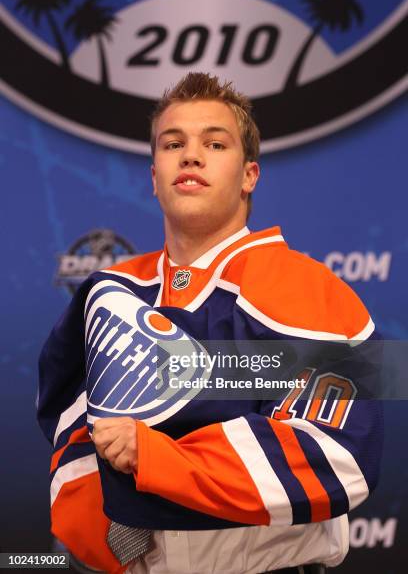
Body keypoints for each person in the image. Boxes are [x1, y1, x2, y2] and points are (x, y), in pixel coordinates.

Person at [38, 72, 383, 574]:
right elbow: (70, 430)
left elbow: (338, 457)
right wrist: (114, 544)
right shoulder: (106, 293)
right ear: (154, 176)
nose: (191, 155)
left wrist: (157, 459)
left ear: (249, 175)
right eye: (172, 143)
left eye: (215, 143)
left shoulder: (313, 291)